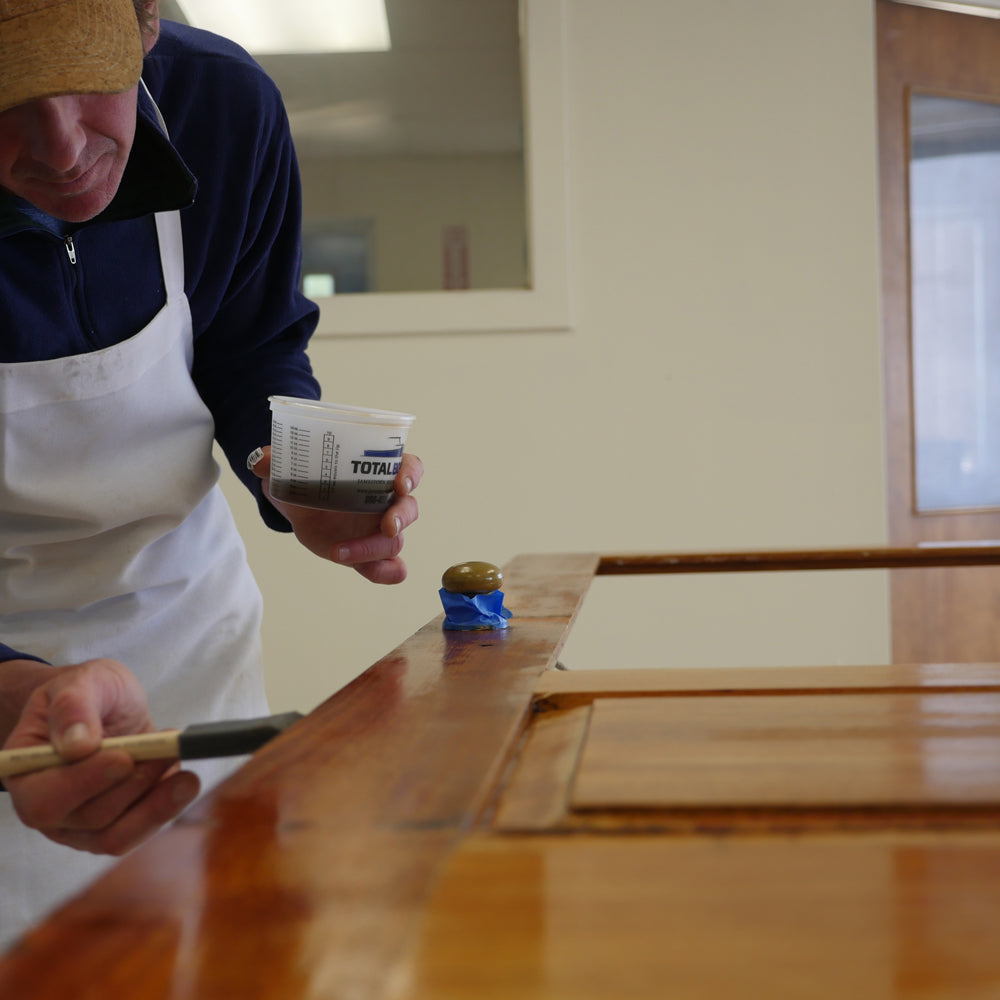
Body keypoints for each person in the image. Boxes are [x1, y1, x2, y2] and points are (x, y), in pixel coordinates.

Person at [0, 0, 423, 948]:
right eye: (4, 101)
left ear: (147, 25)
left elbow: (251, 347)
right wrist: (16, 698)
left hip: (185, 649)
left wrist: (300, 473)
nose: (60, 149)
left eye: (82, 79)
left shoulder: (223, 108)